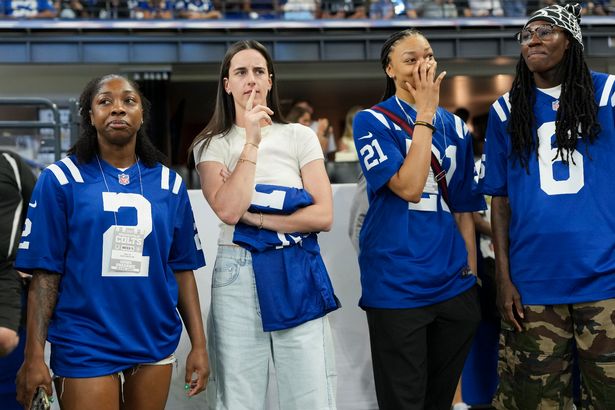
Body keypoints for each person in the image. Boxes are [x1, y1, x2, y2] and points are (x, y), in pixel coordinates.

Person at [14, 74, 208, 409]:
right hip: (85, 341)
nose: (117, 108)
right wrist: (34, 356)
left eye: (128, 101)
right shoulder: (59, 180)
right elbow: (45, 276)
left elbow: (182, 269)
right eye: (105, 101)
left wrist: (199, 345)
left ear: (142, 115)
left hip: (153, 339)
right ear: (90, 115)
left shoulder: (168, 183)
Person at [478, 3, 615, 408]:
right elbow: (499, 201)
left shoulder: (607, 94)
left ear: (570, 42)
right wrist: (503, 277)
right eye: (526, 34)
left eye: (545, 32)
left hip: (605, 278)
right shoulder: (506, 108)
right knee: (533, 402)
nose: (533, 39)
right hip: (532, 282)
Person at [192, 39, 338, 410]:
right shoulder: (211, 144)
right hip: (237, 272)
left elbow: (323, 215)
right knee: (238, 398)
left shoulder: (299, 136)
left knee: (311, 396)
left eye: (259, 71)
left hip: (295, 266)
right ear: (227, 84)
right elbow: (227, 209)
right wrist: (252, 143)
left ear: (271, 81)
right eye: (240, 72)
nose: (251, 80)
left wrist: (256, 218)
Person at [352, 29, 484, 410]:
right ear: (390, 70)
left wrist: (470, 278)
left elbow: (463, 210)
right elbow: (409, 187)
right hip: (397, 287)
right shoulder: (371, 121)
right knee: (404, 402)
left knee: (437, 402)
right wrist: (425, 114)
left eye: (428, 55)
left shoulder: (456, 127)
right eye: (410, 59)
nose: (423, 65)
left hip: (452, 287)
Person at [0, 150, 36, 410]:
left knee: (12, 390)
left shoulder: (10, 164)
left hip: (9, 285)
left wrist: (28, 262)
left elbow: (40, 214)